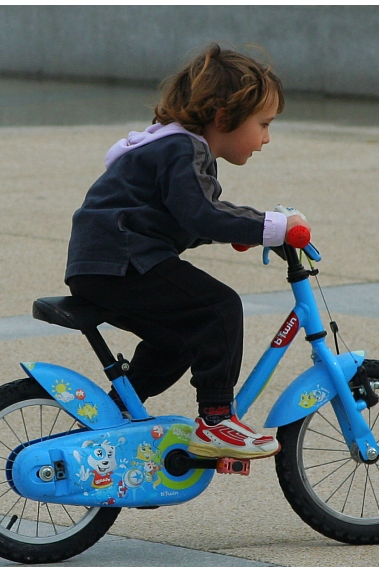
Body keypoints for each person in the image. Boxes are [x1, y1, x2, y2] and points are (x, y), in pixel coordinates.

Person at [64, 44, 308, 461]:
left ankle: (114, 417)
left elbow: (178, 215)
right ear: (223, 117)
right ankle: (216, 422)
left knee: (178, 339)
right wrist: (272, 226)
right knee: (219, 308)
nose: (267, 138)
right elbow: (201, 214)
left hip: (107, 262)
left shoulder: (174, 147)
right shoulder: (183, 149)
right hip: (124, 261)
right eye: (263, 124)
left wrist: (241, 230)